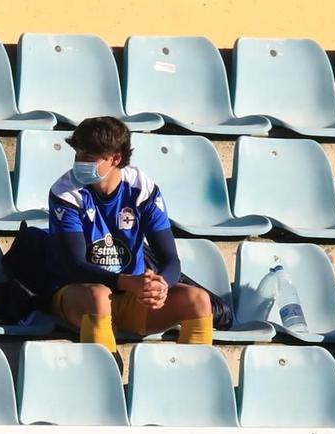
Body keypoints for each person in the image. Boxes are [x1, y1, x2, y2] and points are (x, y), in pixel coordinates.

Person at [46, 116, 214, 351]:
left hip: (133, 297)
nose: (79, 163)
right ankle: (107, 374)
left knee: (197, 300)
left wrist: (160, 285)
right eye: (78, 155)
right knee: (98, 295)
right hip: (79, 296)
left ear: (116, 158)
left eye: (89, 157)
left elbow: (170, 259)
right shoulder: (66, 192)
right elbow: (75, 265)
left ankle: (196, 376)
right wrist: (128, 282)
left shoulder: (140, 187)